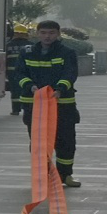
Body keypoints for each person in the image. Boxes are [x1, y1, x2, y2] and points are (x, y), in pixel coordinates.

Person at [17, 19, 81, 187]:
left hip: (62, 104)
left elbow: (70, 74)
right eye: (43, 33)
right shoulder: (27, 52)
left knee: (66, 140)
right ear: (37, 34)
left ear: (58, 34)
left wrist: (60, 89)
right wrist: (30, 86)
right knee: (38, 141)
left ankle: (65, 175)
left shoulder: (67, 53)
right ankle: (42, 175)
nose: (47, 36)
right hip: (34, 105)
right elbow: (19, 73)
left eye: (51, 33)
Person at [5, 24, 32, 115]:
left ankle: (16, 110)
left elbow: (4, 60)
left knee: (15, 90)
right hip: (29, 72)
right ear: (25, 34)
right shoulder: (31, 46)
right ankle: (28, 108)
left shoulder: (8, 45)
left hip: (12, 72)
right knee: (28, 89)